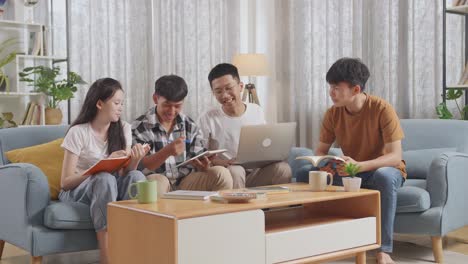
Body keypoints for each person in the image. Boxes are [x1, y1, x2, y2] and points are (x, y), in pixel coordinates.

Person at [295, 58, 406, 264]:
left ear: (356, 89)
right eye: (330, 87)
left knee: (384, 176)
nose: (331, 92)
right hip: (351, 171)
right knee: (303, 173)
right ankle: (313, 239)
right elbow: (320, 151)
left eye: (336, 88)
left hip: (382, 170)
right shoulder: (332, 113)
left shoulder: (382, 109)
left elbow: (395, 156)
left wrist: (361, 165)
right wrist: (327, 163)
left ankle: (383, 250)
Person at [59, 78, 148, 264]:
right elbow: (65, 182)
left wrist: (135, 159)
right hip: (78, 189)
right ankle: (107, 258)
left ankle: (136, 252)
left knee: (137, 176)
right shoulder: (78, 132)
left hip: (111, 184)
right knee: (104, 178)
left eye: (122, 103)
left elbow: (126, 174)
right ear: (99, 103)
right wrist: (102, 164)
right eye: (116, 103)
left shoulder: (124, 129)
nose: (120, 107)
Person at [132, 75, 232, 194]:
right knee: (158, 182)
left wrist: (204, 165)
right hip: (156, 179)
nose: (172, 111)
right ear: (155, 99)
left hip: (185, 181)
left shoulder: (189, 125)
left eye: (177, 106)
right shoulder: (140, 127)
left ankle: (218, 213)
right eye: (167, 105)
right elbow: (139, 166)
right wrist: (167, 151)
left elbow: (199, 158)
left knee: (222, 174)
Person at [198, 63, 291, 188]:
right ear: (213, 93)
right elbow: (199, 156)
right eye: (218, 91)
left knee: (283, 168)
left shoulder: (256, 110)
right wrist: (225, 162)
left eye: (229, 88)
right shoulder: (207, 117)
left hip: (255, 171)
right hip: (229, 172)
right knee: (236, 170)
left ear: (240, 86)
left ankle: (275, 208)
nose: (225, 95)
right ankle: (241, 207)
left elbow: (265, 143)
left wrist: (272, 155)